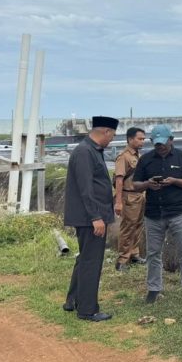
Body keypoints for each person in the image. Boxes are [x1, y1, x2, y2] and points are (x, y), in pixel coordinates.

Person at [132, 124, 182, 303]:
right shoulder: (146, 160)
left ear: (171, 140)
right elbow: (135, 185)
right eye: (156, 144)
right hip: (153, 213)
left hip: (178, 211)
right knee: (153, 252)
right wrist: (148, 184)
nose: (160, 146)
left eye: (163, 143)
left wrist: (175, 181)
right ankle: (154, 288)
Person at [63, 115, 119, 322]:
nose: (112, 139)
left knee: (85, 258)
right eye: (112, 135)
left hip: (90, 215)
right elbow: (86, 189)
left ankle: (72, 300)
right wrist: (96, 217)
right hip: (90, 218)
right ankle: (87, 309)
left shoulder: (90, 150)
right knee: (91, 262)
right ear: (105, 131)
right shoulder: (85, 152)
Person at [113, 127, 147, 271]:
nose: (142, 142)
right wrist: (119, 202)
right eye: (140, 139)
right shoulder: (124, 156)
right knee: (128, 227)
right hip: (129, 196)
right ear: (130, 139)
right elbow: (119, 180)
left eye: (143, 139)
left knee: (138, 225)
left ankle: (134, 254)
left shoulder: (138, 155)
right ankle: (122, 260)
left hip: (140, 195)